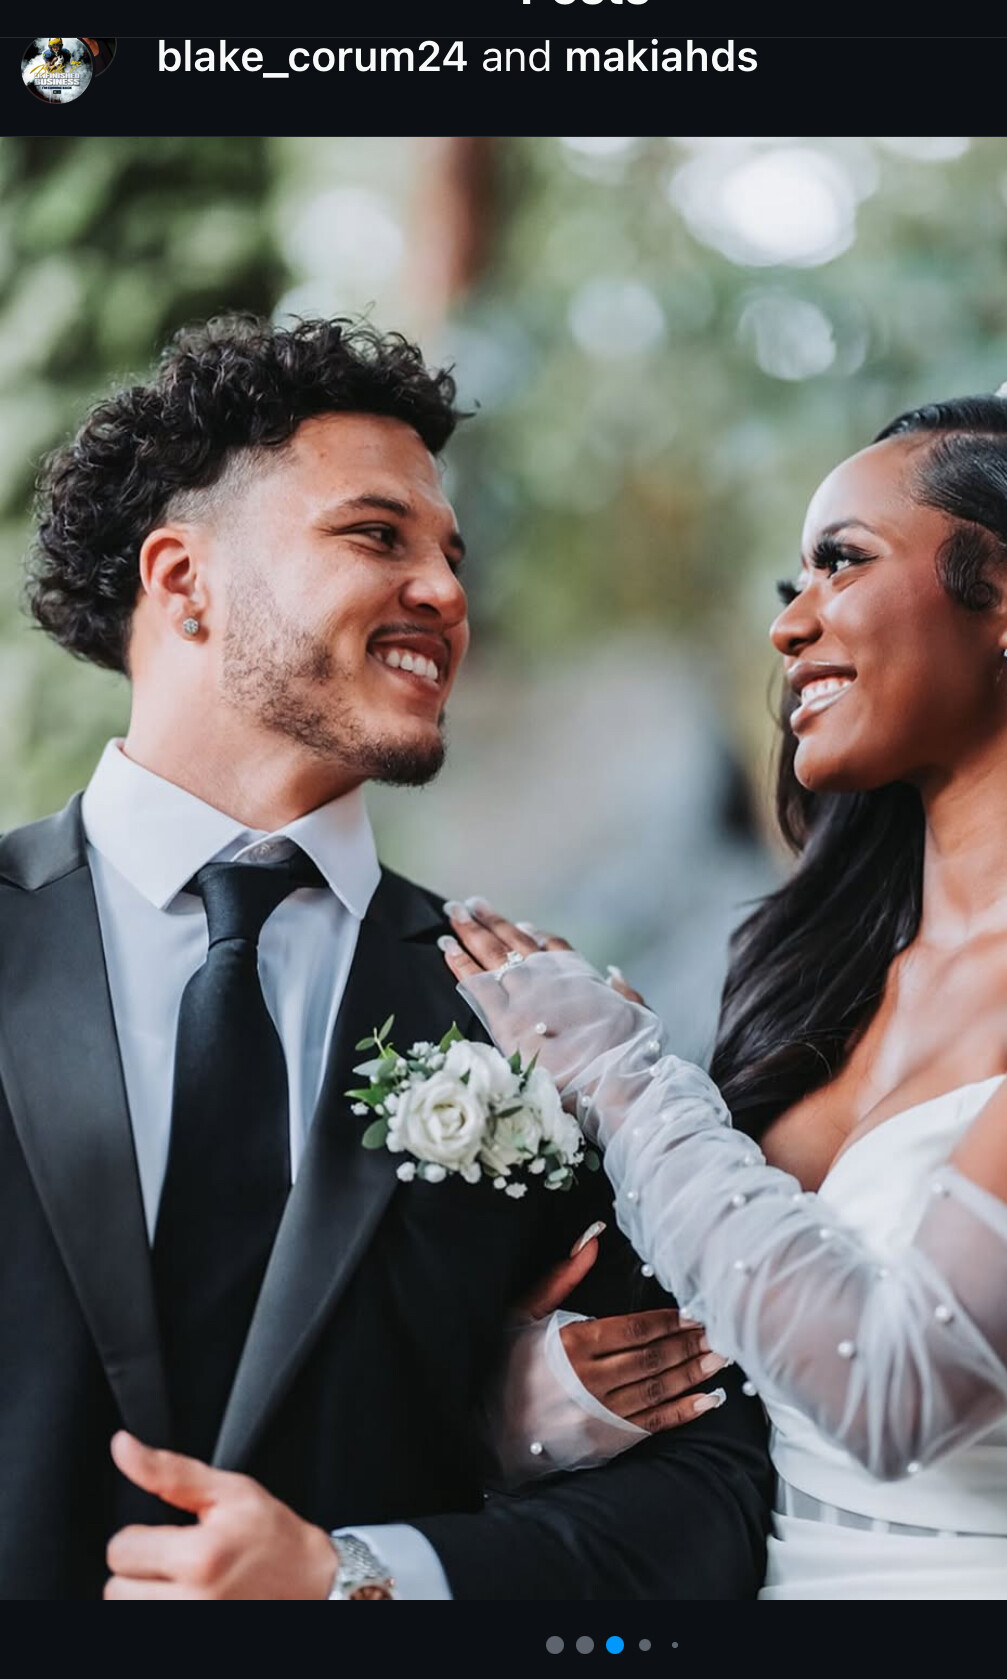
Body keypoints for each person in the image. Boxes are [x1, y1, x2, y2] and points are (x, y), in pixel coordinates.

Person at [0, 313, 772, 1601]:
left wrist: (362, 1578)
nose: (450, 594)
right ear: (183, 581)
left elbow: (714, 1489)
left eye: (452, 554)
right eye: (378, 535)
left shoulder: (529, 1015)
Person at [441, 379, 1007, 1599]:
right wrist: (538, 1396)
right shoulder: (821, 973)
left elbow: (899, 1389)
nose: (789, 625)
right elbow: (747, 1324)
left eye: (843, 561)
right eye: (793, 583)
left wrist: (622, 1080)